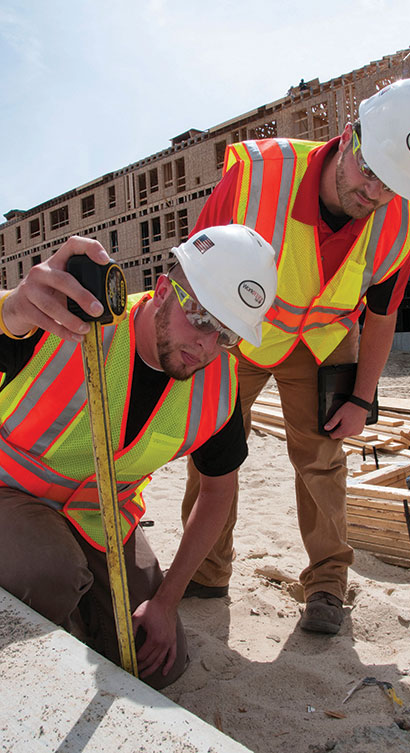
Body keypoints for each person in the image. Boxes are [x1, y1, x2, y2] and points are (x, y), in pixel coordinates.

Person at [181, 78, 410, 634]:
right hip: (247, 336)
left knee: (323, 460)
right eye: (369, 171)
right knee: (214, 450)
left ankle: (328, 584)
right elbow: (198, 270)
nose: (374, 193)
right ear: (349, 136)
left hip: (325, 341)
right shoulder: (259, 177)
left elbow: (381, 316)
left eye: (390, 184)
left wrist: (361, 397)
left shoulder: (398, 223)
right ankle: (206, 572)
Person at [0, 224, 277, 688]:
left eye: (226, 334)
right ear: (165, 290)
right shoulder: (72, 319)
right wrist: (11, 308)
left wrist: (167, 601)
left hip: (99, 516)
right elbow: (12, 319)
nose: (206, 347)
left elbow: (217, 491)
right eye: (203, 318)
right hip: (9, 491)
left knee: (159, 661)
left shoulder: (220, 388)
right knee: (50, 573)